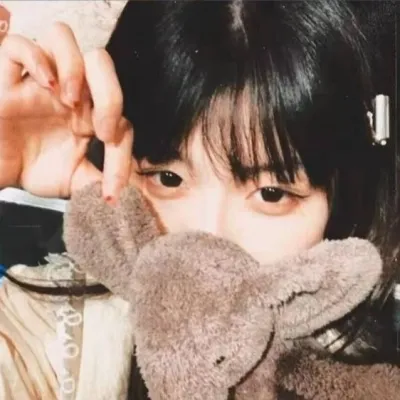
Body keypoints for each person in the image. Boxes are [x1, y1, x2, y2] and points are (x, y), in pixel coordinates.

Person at [0, 1, 398, 399]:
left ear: (344, 198)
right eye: (168, 178)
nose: (209, 237)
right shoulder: (50, 335)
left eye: (272, 193)